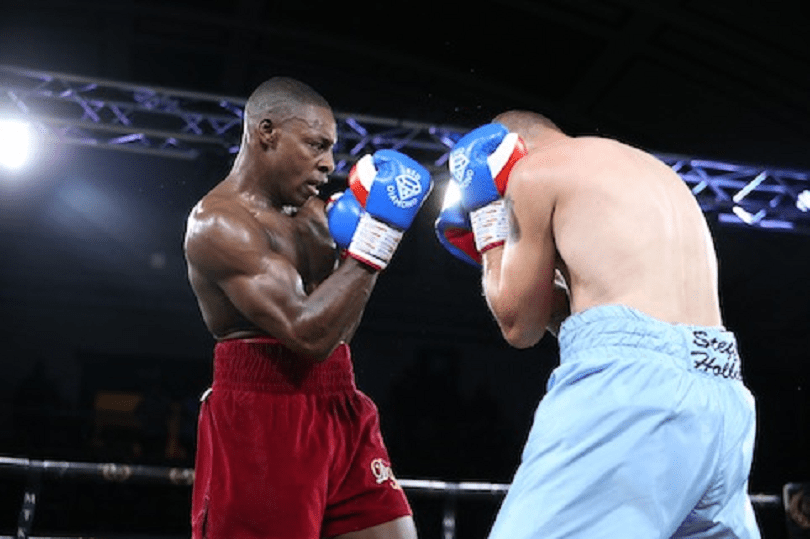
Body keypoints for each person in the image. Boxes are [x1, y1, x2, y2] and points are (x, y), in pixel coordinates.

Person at [435, 112, 760, 538]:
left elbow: (519, 326)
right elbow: (601, 317)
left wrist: (490, 228)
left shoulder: (532, 172)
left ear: (502, 149)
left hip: (632, 393)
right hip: (724, 399)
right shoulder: (652, 172)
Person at [183, 76, 432, 539]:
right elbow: (307, 335)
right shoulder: (219, 223)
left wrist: (364, 247)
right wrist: (377, 239)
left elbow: (337, 333)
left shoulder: (316, 217)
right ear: (267, 132)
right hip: (263, 415)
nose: (329, 164)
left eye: (332, 149)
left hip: (340, 400)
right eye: (317, 145)